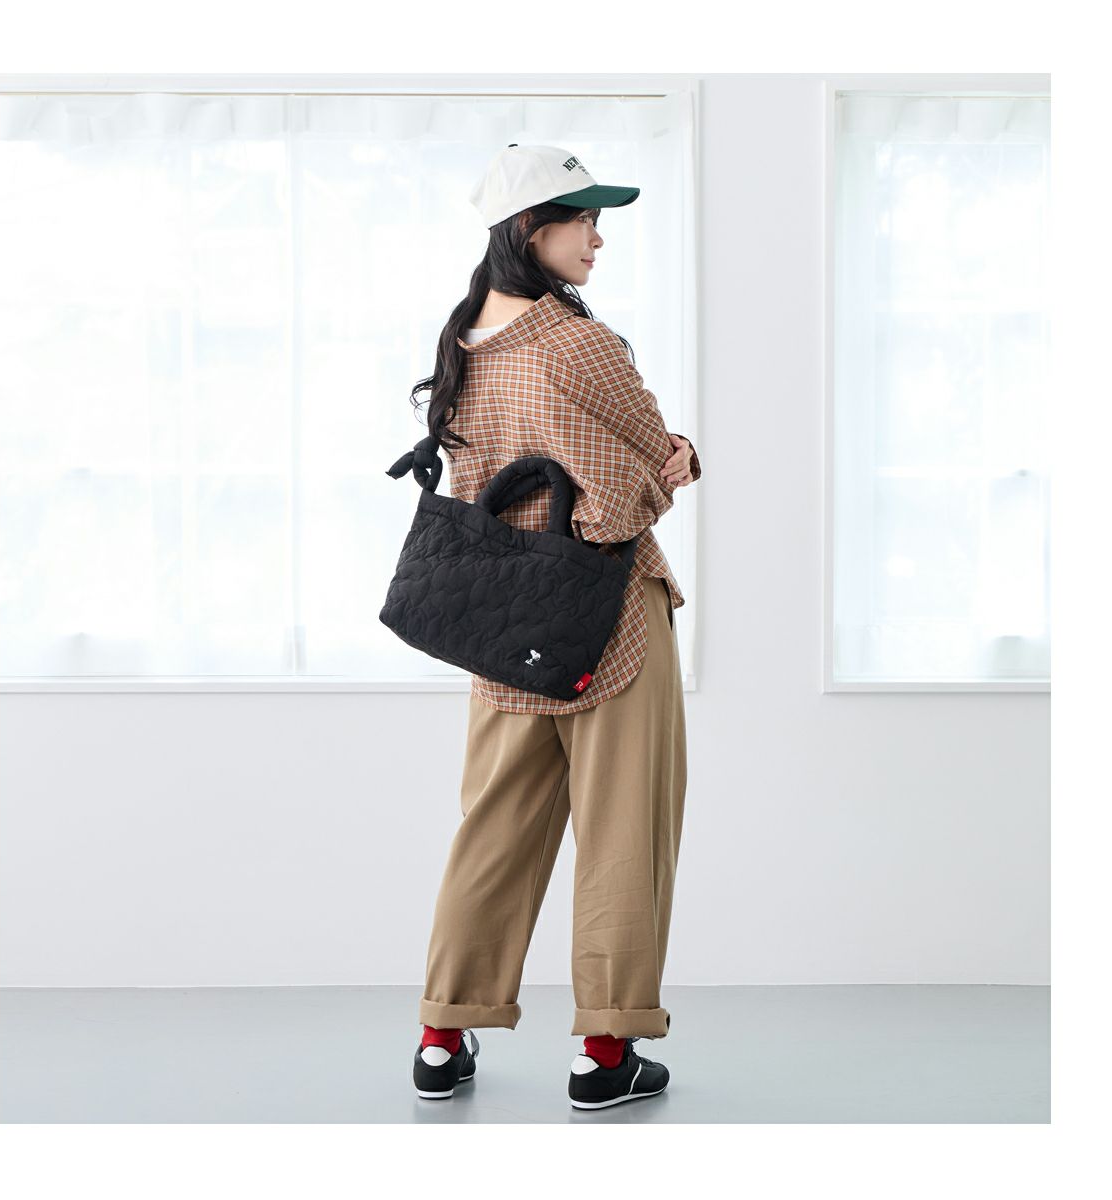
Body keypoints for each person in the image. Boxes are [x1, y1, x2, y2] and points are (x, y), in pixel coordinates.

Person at [406, 144, 702, 1109]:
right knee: (623, 830)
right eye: (584, 219)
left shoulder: (460, 343)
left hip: (499, 619)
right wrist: (679, 458)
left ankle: (442, 1037)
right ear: (532, 229)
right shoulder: (579, 343)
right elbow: (633, 480)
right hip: (607, 613)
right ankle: (605, 1057)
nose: (598, 238)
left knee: (494, 826)